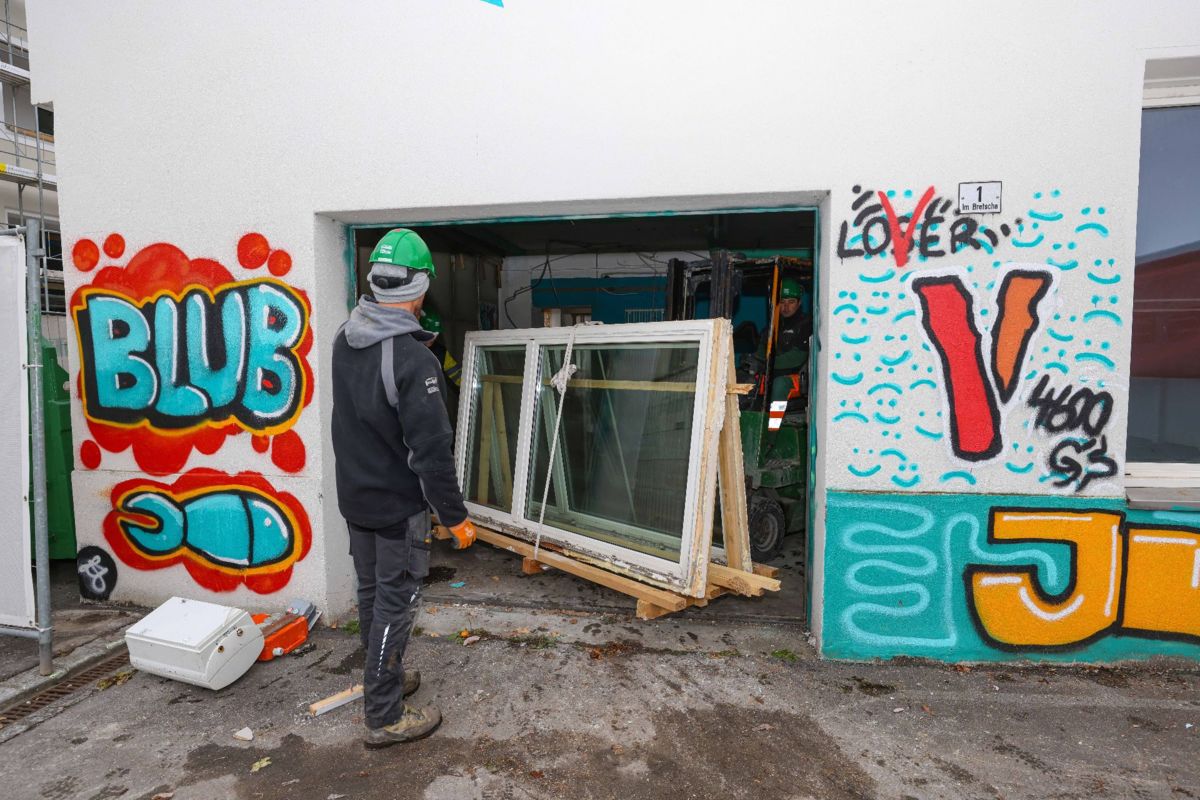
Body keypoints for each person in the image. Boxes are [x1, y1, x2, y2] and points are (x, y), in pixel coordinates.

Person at [331, 228, 478, 750]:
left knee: (373, 595)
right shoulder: (413, 359)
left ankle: (383, 678)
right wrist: (455, 517)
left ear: (375, 281)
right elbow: (431, 452)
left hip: (357, 500)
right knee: (396, 604)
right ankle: (385, 715)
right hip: (396, 508)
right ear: (421, 286)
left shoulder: (346, 337)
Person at [755, 277, 812, 414]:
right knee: (745, 380)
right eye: (782, 302)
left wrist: (768, 363)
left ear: (799, 303)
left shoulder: (806, 324)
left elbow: (796, 358)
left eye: (791, 302)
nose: (786, 307)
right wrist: (753, 362)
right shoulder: (772, 326)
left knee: (779, 384)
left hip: (797, 376)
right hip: (773, 373)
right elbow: (761, 352)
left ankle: (774, 425)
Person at [419, 308, 462, 388]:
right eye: (431, 334)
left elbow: (456, 374)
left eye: (436, 335)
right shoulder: (409, 350)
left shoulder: (441, 352)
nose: (433, 338)